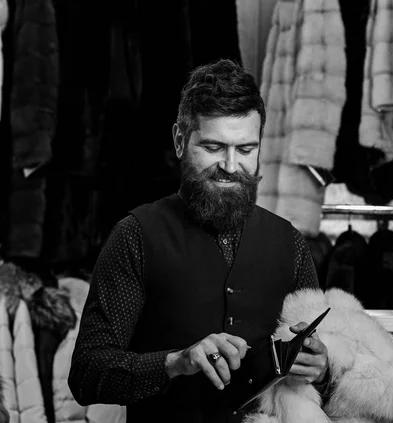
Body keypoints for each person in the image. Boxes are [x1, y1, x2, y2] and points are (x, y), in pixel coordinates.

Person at [68, 59, 329, 423]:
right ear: (179, 140)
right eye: (213, 147)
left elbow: (326, 381)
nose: (230, 165)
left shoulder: (290, 243)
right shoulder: (135, 236)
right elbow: (87, 375)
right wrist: (175, 362)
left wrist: (322, 368)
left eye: (246, 149)